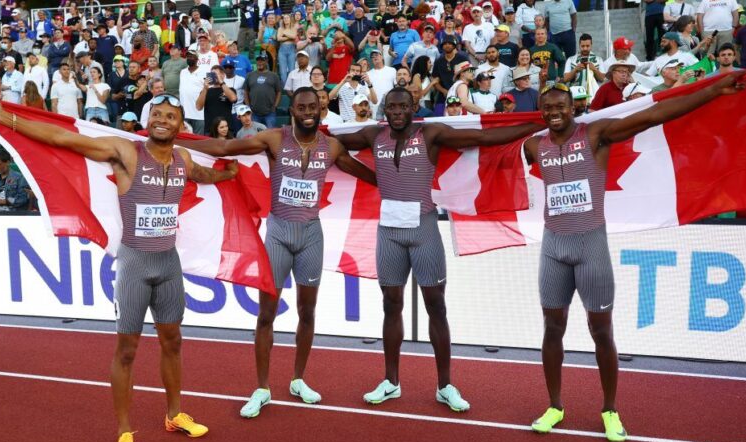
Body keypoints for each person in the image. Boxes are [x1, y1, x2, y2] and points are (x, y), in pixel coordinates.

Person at [0, 93, 239, 442]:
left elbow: (204, 174)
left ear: (182, 126)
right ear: (149, 120)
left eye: (171, 116)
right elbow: (65, 140)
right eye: (157, 114)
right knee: (127, 350)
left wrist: (228, 174)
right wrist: (9, 121)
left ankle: (174, 414)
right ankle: (123, 432)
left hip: (168, 264)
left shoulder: (182, 159)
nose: (163, 120)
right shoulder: (127, 152)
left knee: (173, 341)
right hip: (134, 263)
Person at [525, 73, 745, 442]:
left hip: (590, 244)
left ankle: (610, 409)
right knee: (552, 329)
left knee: (601, 331)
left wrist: (712, 91)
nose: (554, 113)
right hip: (553, 247)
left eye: (560, 106)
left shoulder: (595, 134)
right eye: (547, 108)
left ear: (574, 108)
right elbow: (485, 141)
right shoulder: (534, 145)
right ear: (542, 113)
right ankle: (555, 405)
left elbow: (652, 117)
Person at [333, 86, 543, 411]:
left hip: (423, 229)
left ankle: (445, 385)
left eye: (404, 106)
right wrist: (366, 174)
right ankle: (391, 382)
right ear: (384, 110)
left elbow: (484, 139)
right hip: (389, 231)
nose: (398, 112)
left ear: (414, 106)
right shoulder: (374, 134)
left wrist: (537, 123)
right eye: (392, 107)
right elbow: (328, 144)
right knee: (391, 304)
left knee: (436, 306)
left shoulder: (430, 133)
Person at [178, 87, 377, 418]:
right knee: (266, 314)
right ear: (293, 110)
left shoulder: (331, 147)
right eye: (301, 107)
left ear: (321, 107)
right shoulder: (274, 139)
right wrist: (177, 140)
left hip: (311, 236)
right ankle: (262, 387)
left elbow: (366, 174)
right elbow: (225, 147)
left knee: (307, 312)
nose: (308, 112)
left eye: (313, 106)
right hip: (279, 235)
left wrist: (403, 186)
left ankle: (299, 379)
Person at [244, 52, 282, 129]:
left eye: (262, 60)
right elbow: (245, 91)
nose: (260, 62)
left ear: (266, 61)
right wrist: (248, 106)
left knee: (270, 135)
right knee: (256, 136)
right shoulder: (250, 75)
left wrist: (275, 106)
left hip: (270, 112)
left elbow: (279, 92)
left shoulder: (274, 75)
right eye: (258, 60)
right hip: (254, 112)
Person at [179, 50, 206, 134]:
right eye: (188, 56)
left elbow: (207, 89)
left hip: (199, 114)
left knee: (198, 141)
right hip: (184, 114)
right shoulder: (182, 72)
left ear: (197, 59)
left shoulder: (204, 71)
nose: (189, 58)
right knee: (186, 141)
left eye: (192, 56)